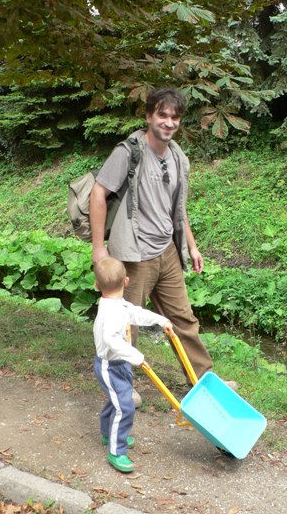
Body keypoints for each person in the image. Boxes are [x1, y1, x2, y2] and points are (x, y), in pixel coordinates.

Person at [90, 87, 236, 401]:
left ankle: (203, 381)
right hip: (134, 254)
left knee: (183, 320)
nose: (169, 122)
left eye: (175, 117)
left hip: (166, 251)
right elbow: (98, 193)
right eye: (162, 115)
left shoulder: (177, 156)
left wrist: (191, 246)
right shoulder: (128, 152)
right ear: (149, 117)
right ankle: (122, 387)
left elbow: (178, 208)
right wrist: (99, 248)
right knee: (126, 326)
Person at [93, 256, 173, 473]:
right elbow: (111, 339)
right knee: (125, 406)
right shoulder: (111, 311)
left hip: (120, 364)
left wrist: (161, 320)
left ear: (97, 286)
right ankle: (116, 450)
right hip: (109, 366)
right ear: (126, 281)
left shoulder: (118, 304)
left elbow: (135, 313)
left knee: (117, 401)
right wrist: (136, 356)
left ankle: (108, 433)